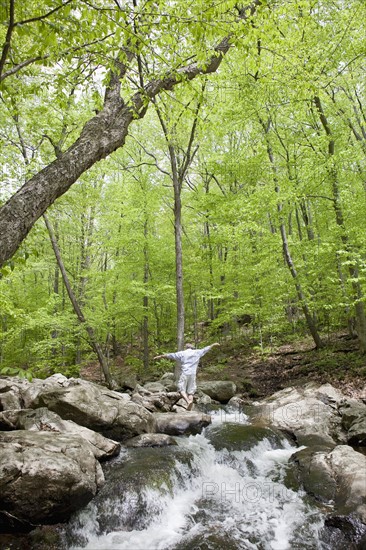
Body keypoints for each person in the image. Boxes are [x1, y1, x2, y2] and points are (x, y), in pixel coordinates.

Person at [154, 342, 220, 409]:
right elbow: (206, 349)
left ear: (186, 347)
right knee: (191, 391)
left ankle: (188, 402)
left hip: (185, 373)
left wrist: (160, 356)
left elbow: (171, 355)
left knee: (181, 389)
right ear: (192, 347)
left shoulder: (182, 353)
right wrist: (213, 344)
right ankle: (190, 405)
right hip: (193, 374)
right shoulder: (197, 352)